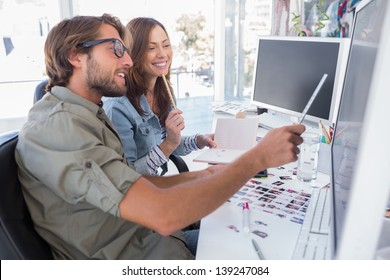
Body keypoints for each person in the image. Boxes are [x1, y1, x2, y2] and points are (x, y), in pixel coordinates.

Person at [15, 14, 305, 260]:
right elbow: (163, 215)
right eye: (117, 49)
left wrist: (212, 175)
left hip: (147, 239)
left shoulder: (88, 113)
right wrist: (257, 159)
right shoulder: (61, 127)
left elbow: (132, 181)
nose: (128, 61)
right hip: (136, 253)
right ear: (74, 56)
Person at [103, 17, 215, 176]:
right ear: (133, 53)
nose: (163, 54)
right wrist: (169, 144)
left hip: (157, 182)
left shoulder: (164, 90)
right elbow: (128, 174)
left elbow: (172, 144)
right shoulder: (117, 106)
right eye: (151, 48)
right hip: (137, 191)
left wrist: (200, 141)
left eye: (166, 45)